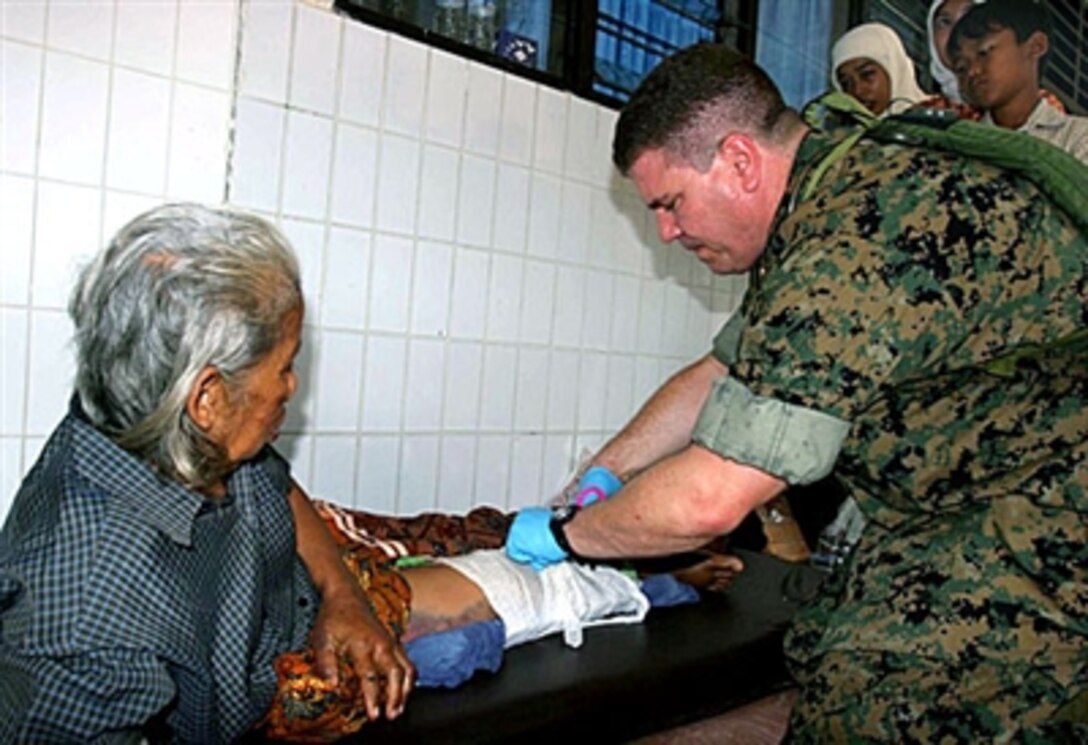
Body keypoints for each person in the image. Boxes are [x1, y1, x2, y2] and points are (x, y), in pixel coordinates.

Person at [504, 42, 1087, 741]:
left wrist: (569, 537)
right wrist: (603, 470)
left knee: (870, 707)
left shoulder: (860, 234)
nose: (666, 232)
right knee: (829, 646)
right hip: (968, 497)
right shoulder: (833, 192)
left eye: (671, 202)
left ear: (741, 162)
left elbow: (709, 499)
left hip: (1048, 516)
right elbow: (721, 371)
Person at [0, 204, 721, 742]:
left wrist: (343, 594)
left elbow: (274, 487)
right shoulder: (83, 614)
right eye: (284, 368)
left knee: (466, 534)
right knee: (497, 586)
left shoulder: (172, 420)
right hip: (273, 657)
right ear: (209, 397)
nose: (293, 388)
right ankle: (635, 569)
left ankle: (630, 554)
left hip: (315, 584)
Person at [948, 0, 1088, 163]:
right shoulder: (959, 146)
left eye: (984, 53)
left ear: (1036, 46)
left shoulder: (1078, 137)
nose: (972, 71)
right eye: (961, 67)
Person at [830, 22, 928, 117]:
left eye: (867, 74)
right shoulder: (846, 132)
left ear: (894, 68)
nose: (857, 91)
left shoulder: (936, 122)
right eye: (846, 83)